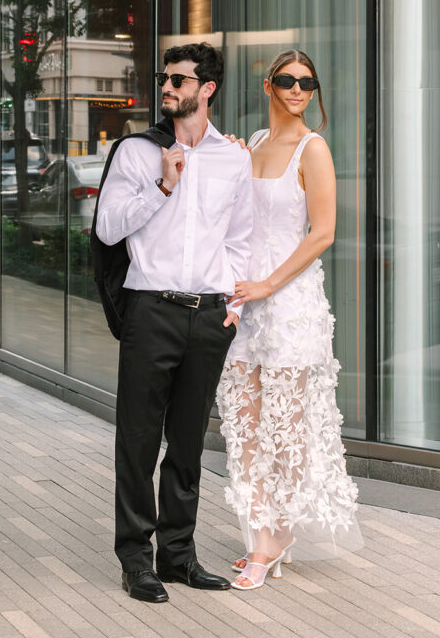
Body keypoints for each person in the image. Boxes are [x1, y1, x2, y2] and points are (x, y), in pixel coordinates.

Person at [95, 42, 253, 603]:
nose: (168, 87)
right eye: (166, 78)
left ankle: (179, 558)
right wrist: (161, 185)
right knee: (138, 442)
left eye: (179, 80)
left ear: (206, 89)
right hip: (151, 310)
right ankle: (136, 560)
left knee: (186, 445)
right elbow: (109, 229)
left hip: (208, 317)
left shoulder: (235, 159)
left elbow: (241, 239)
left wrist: (231, 309)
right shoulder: (136, 153)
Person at [217, 49, 360, 591]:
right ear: (268, 85)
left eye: (308, 82)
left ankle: (276, 538)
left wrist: (268, 285)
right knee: (245, 425)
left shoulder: (313, 147)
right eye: (288, 80)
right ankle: (261, 537)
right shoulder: (252, 142)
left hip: (290, 305)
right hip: (244, 304)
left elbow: (321, 233)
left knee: (286, 429)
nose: (299, 90)